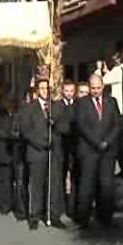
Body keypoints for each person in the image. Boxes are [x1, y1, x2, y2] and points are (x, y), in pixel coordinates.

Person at [19, 79, 69, 230]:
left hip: (54, 151)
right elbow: (25, 131)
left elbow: (65, 127)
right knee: (36, 184)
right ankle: (34, 215)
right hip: (37, 151)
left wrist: (56, 124)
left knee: (54, 184)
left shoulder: (58, 107)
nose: (44, 91)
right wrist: (40, 143)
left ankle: (54, 215)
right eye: (41, 88)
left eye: (47, 88)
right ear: (37, 90)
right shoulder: (28, 108)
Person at [74, 75, 121, 229]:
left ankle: (106, 218)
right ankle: (83, 219)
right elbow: (82, 126)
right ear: (89, 87)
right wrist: (97, 142)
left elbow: (117, 124)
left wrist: (107, 141)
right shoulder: (82, 103)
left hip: (107, 151)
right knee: (86, 186)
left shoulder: (111, 101)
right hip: (89, 151)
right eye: (93, 88)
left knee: (107, 186)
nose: (95, 91)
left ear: (103, 87)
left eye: (98, 88)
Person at [0, 96, 23, 216]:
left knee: (19, 181)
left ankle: (19, 207)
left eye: (12, 102)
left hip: (18, 153)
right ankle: (5, 205)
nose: (10, 105)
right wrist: (9, 136)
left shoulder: (19, 115)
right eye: (8, 102)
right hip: (4, 153)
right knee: (5, 181)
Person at [55, 80, 77, 217]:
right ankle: (61, 205)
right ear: (63, 91)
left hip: (74, 146)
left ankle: (72, 206)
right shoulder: (57, 105)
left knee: (74, 176)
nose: (69, 94)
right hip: (61, 146)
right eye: (66, 91)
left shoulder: (78, 105)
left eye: (71, 91)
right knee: (60, 175)